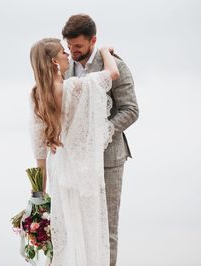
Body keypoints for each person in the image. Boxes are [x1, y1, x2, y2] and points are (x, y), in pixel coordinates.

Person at [29, 37, 119, 266]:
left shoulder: (37, 96)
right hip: (82, 172)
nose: (67, 54)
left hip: (59, 171)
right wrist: (104, 51)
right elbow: (113, 73)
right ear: (53, 62)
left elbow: (40, 153)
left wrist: (38, 199)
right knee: (89, 234)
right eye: (62, 52)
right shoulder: (75, 87)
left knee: (65, 236)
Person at [62, 14, 139, 265]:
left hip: (109, 158)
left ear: (93, 40)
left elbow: (130, 110)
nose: (73, 51)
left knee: (106, 227)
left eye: (79, 47)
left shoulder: (116, 65)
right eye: (70, 46)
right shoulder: (65, 68)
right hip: (75, 161)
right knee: (79, 224)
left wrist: (101, 132)